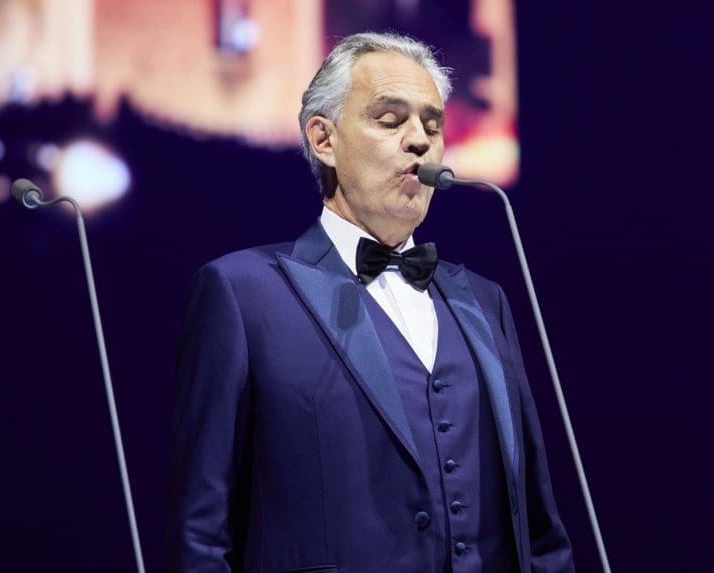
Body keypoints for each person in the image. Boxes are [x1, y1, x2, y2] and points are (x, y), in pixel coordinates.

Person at [166, 32, 574, 573]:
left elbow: (538, 526)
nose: (420, 141)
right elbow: (200, 532)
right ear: (323, 140)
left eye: (432, 126)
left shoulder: (484, 300)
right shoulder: (242, 293)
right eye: (390, 120)